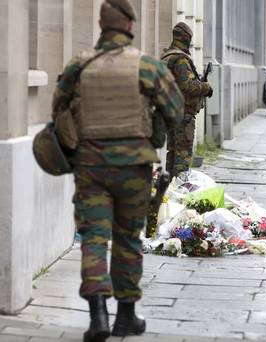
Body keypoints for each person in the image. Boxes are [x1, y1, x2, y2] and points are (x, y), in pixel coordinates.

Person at [51, 1, 184, 340]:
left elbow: (59, 108)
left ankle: (97, 317)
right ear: (129, 24)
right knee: (127, 239)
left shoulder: (79, 65)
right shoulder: (146, 66)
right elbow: (175, 108)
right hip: (132, 168)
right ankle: (126, 316)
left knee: (93, 238)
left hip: (90, 167)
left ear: (100, 24)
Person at [161, 22, 213, 179]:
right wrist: (206, 87)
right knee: (182, 159)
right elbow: (188, 86)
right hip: (182, 116)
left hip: (170, 112)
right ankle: (180, 190)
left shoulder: (167, 56)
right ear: (187, 39)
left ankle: (169, 189)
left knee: (172, 155)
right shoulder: (180, 60)